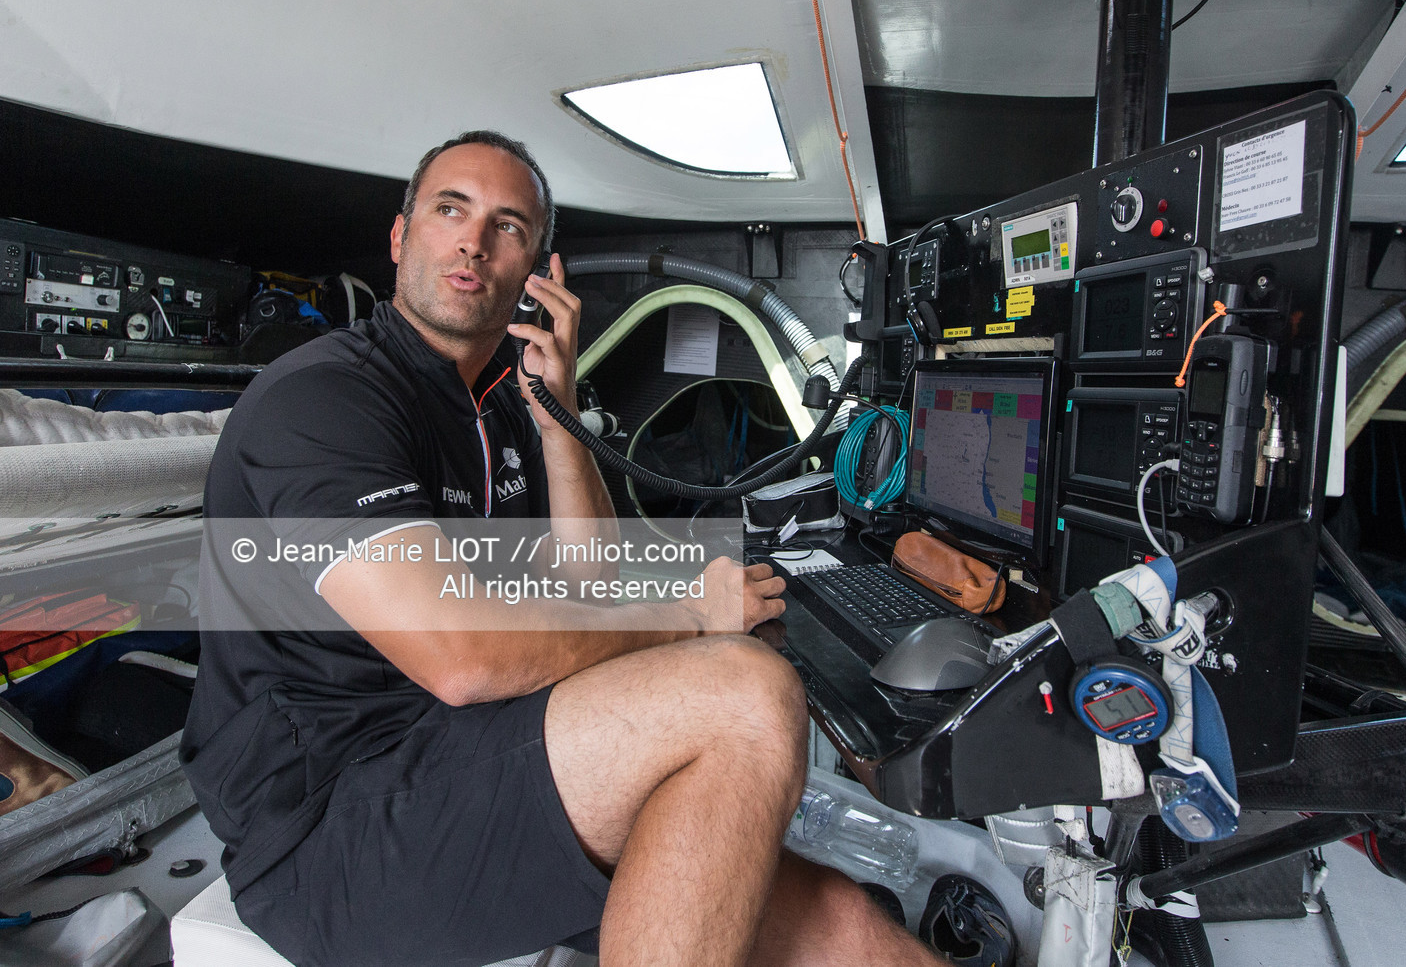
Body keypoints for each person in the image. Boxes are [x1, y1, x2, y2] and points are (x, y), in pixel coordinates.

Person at [181, 131, 947, 967]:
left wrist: (557, 415)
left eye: (507, 226)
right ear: (401, 239)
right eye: (450, 210)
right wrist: (691, 618)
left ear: (540, 273)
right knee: (743, 692)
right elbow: (464, 658)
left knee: (846, 929)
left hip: (466, 757)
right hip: (329, 829)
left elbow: (590, 583)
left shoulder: (505, 405)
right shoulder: (325, 396)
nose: (473, 242)